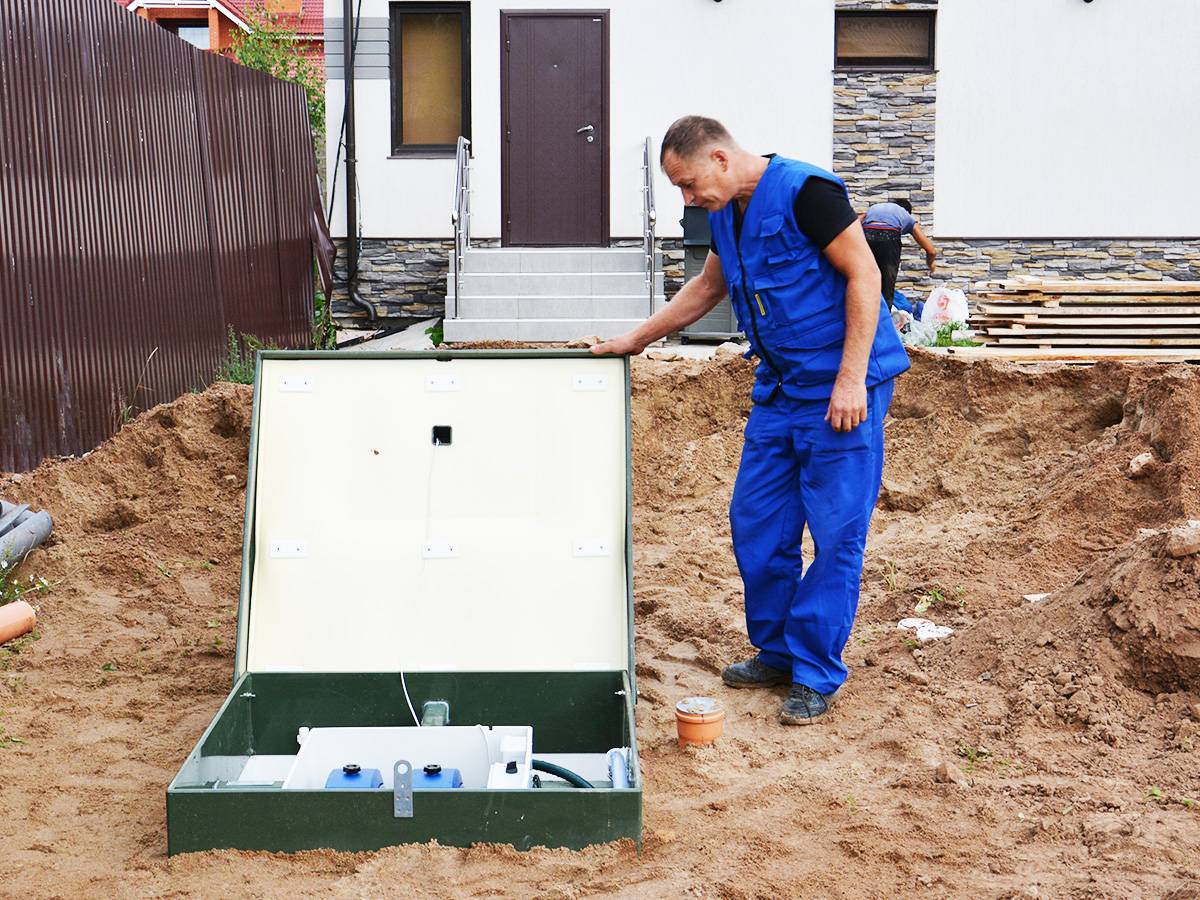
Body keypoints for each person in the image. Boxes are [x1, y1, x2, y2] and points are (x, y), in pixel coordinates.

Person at [592, 116, 910, 725]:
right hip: (781, 388)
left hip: (840, 389)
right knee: (757, 522)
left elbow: (865, 274)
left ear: (719, 157)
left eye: (688, 184)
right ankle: (778, 651)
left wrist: (851, 380)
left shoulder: (808, 192)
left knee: (836, 534)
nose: (688, 199)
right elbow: (707, 288)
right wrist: (636, 339)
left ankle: (815, 672)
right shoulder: (725, 213)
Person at [860, 199, 937, 309]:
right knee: (887, 285)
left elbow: (856, 223)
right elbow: (931, 251)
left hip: (867, 234)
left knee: (866, 280)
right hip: (889, 237)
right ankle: (883, 317)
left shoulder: (874, 209)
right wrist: (931, 264)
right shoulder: (906, 215)